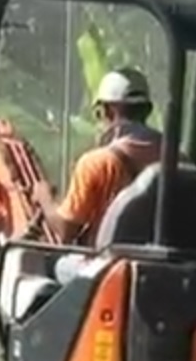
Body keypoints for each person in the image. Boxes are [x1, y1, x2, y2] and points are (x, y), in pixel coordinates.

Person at [33, 67, 162, 245]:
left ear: (107, 111)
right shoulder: (179, 159)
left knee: (30, 259)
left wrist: (44, 199)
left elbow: (66, 230)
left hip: (108, 266)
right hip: (164, 266)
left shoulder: (97, 163)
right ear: (148, 110)